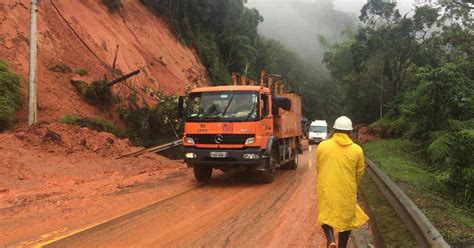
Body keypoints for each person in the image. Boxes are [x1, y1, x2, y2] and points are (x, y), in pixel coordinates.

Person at [315, 116, 368, 248]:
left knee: (326, 213)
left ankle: (330, 239)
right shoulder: (357, 150)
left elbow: (318, 166)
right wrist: (354, 187)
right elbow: (360, 172)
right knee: (346, 219)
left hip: (326, 186)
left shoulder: (323, 146)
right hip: (347, 189)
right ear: (350, 132)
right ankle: (341, 246)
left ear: (334, 130)